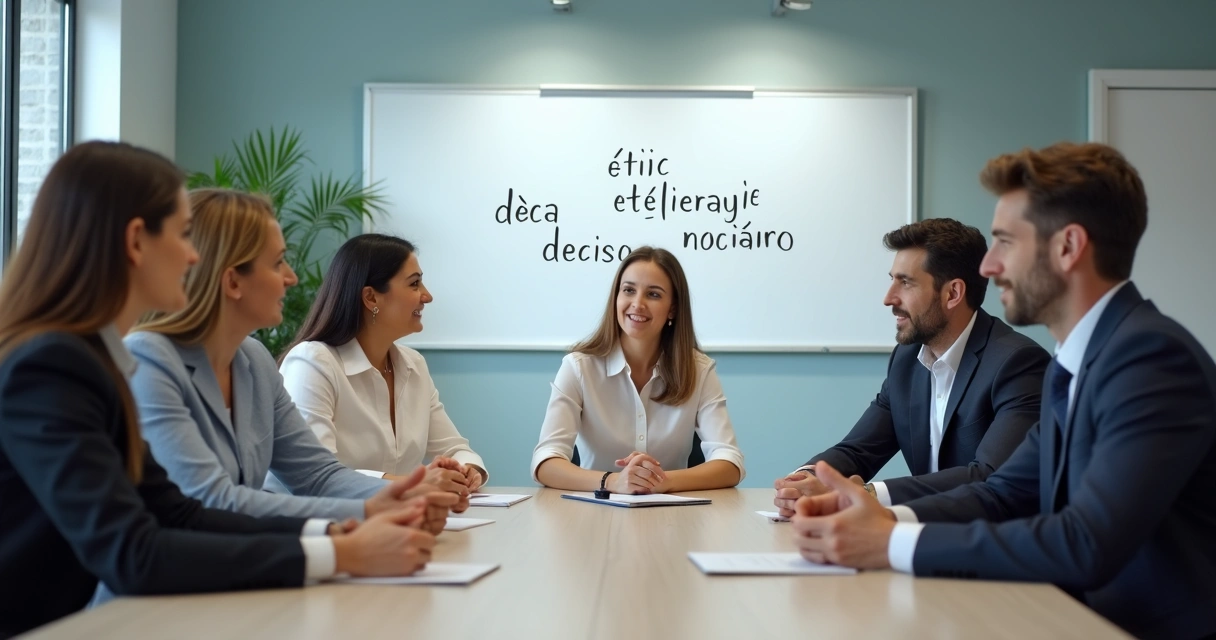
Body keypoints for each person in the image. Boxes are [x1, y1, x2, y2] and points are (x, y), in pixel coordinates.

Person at [0, 142, 436, 639]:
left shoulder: (95, 359)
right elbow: (134, 552)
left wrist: (343, 529)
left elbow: (178, 511)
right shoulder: (53, 366)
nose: (193, 256)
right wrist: (339, 551)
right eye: (182, 235)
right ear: (137, 241)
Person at [791, 142, 1216, 640]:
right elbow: (1002, 494)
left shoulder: (1150, 359)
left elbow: (1085, 542)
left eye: (1005, 243)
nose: (989, 267)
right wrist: (879, 517)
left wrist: (890, 543)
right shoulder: (1080, 360)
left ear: (1068, 247)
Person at [126, 191, 459, 528]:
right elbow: (213, 500)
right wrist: (370, 513)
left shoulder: (254, 359)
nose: (291, 277)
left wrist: (409, 495)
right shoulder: (148, 361)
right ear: (233, 281)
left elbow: (317, 475)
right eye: (277, 263)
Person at [773, 218, 1048, 515]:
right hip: (923, 531)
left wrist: (866, 494)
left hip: (992, 537)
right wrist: (805, 480)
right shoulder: (906, 359)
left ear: (953, 293)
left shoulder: (1017, 363)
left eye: (905, 282)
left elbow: (990, 476)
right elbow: (858, 450)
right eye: (892, 279)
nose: (888, 298)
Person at [279, 234, 487, 494]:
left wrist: (466, 471)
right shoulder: (312, 363)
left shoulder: (414, 365)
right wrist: (416, 483)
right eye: (414, 284)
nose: (427, 296)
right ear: (371, 298)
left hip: (391, 515)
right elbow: (316, 474)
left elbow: (455, 448)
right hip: (317, 517)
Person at [532, 246, 744, 494]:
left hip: (673, 512)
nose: (637, 304)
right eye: (629, 290)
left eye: (653, 294)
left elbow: (730, 462)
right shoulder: (578, 367)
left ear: (673, 309)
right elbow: (546, 461)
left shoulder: (698, 370)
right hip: (595, 509)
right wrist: (613, 482)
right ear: (616, 297)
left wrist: (662, 481)